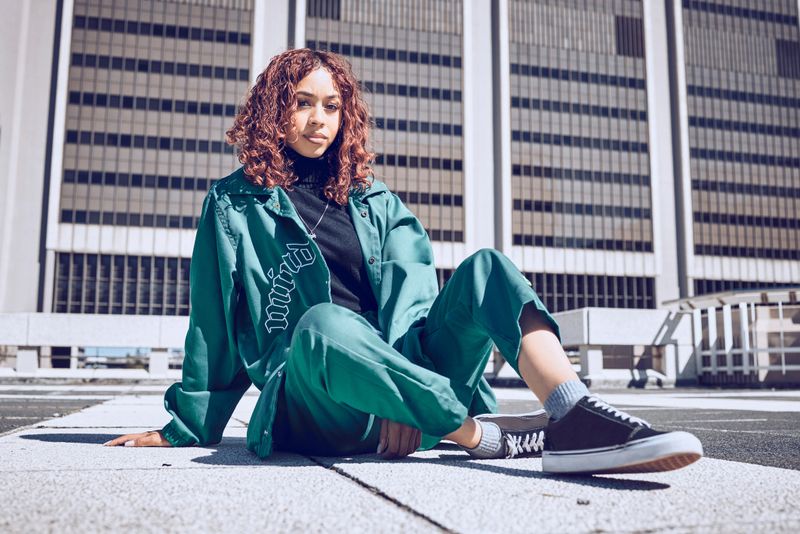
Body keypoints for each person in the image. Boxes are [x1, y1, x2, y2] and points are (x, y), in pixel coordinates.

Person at [105, 48, 703, 474]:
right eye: (303, 103)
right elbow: (211, 324)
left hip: (402, 384)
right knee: (324, 324)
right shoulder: (233, 204)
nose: (319, 120)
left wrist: (401, 388)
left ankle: (575, 415)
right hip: (315, 399)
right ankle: (479, 436)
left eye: (332, 106)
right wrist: (183, 429)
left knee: (488, 267)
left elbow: (415, 299)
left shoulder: (376, 200)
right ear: (273, 110)